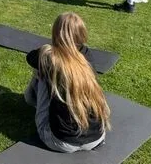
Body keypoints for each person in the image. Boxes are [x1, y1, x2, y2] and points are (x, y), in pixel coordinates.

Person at [24, 12, 110, 153]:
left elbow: (30, 57)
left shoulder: (48, 55)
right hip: (97, 138)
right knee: (47, 69)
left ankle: (31, 100)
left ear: (56, 33)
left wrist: (50, 49)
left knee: (41, 72)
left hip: (60, 142)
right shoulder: (86, 55)